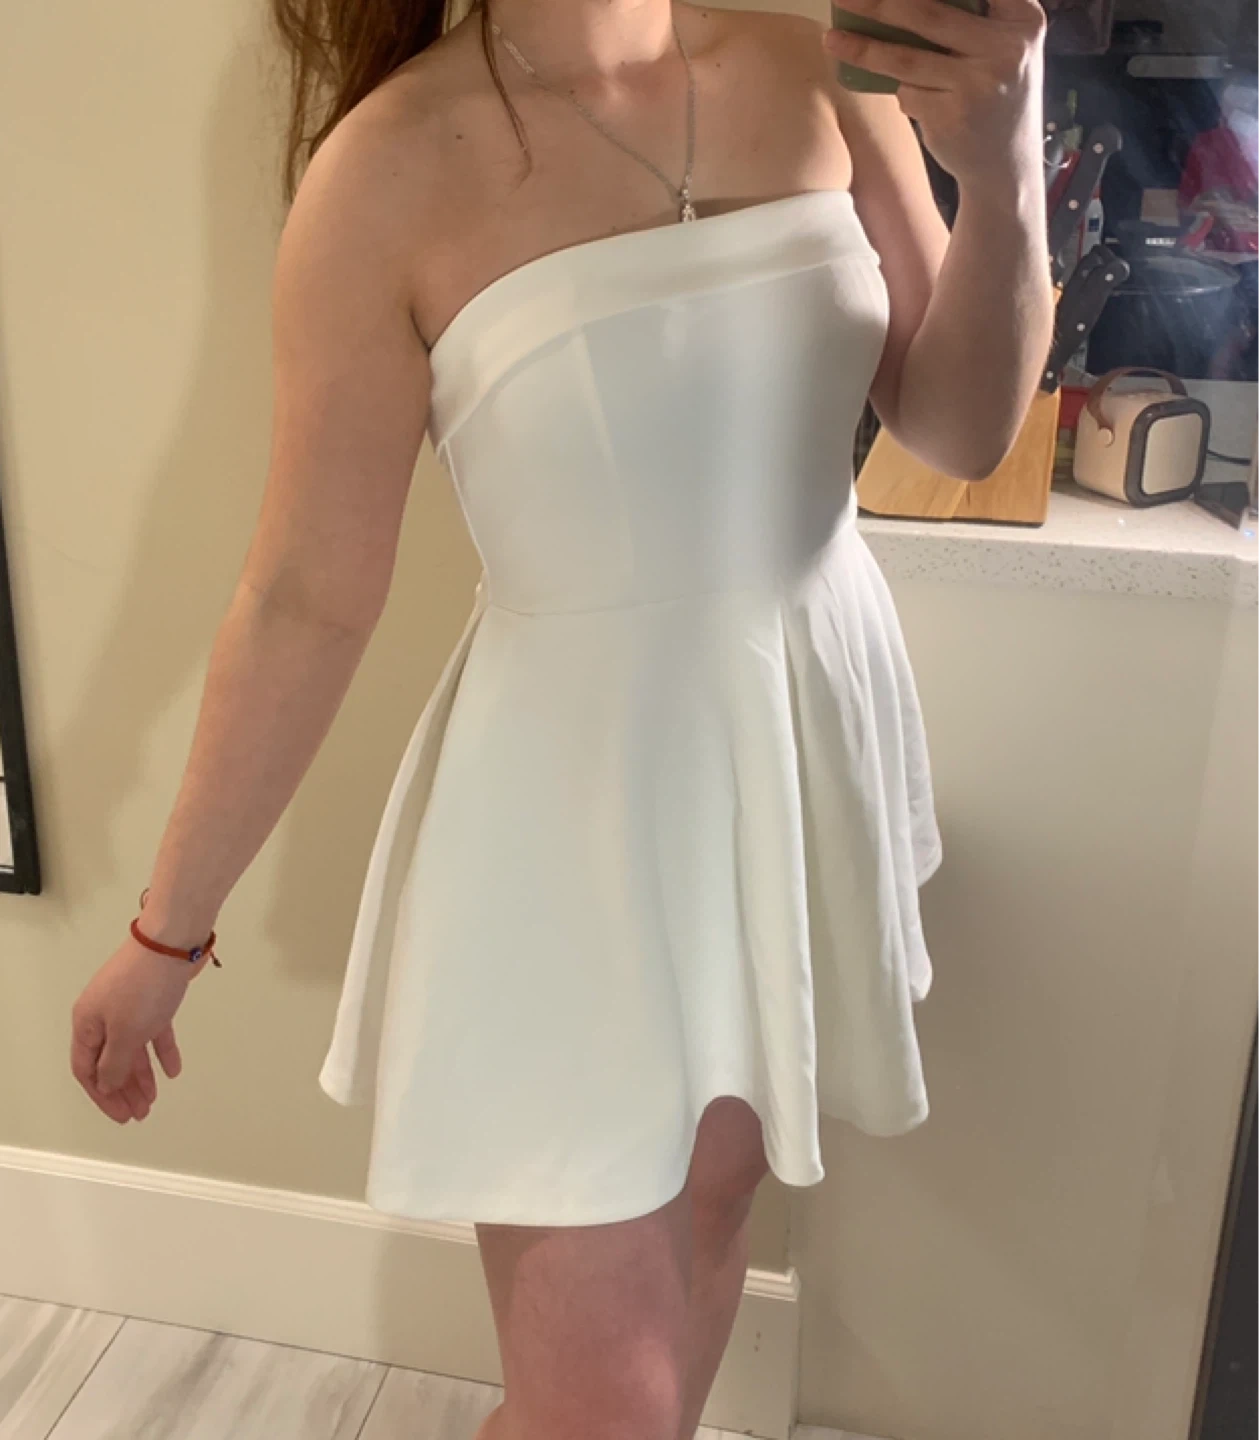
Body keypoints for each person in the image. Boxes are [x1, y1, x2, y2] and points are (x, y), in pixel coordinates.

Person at [70, 1, 1052, 1436]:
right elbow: (305, 598)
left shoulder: (813, 68)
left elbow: (959, 429)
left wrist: (1006, 169)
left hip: (790, 752)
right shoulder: (387, 171)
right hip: (566, 825)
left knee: (710, 1222)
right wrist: (169, 933)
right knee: (602, 1410)